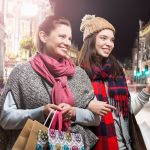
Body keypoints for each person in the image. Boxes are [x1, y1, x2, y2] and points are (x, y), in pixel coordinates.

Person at [0, 15, 100, 150]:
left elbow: (95, 118)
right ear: (43, 36)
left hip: (71, 145)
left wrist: (73, 112)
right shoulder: (21, 72)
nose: (67, 43)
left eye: (69, 38)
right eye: (62, 36)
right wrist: (40, 112)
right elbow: (6, 119)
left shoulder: (79, 75)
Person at [77, 14, 150, 150]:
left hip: (125, 146)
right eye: (103, 38)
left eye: (111, 40)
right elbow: (71, 116)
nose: (109, 43)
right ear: (90, 40)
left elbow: (126, 112)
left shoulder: (116, 71)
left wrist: (146, 92)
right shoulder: (78, 73)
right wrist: (89, 108)